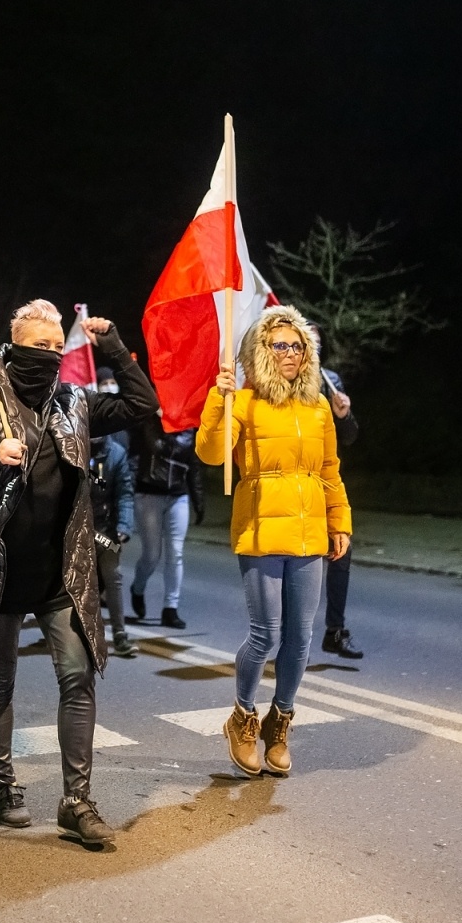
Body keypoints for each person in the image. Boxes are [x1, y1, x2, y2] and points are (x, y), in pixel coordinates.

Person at [0, 299, 156, 845]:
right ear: (13, 346)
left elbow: (141, 403)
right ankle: (3, 786)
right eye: (40, 347)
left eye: (58, 347)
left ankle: (76, 802)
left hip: (63, 572)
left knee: (78, 679)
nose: (51, 356)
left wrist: (114, 347)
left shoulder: (74, 401)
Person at [196, 307, 351, 779]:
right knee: (266, 634)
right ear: (261, 352)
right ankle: (242, 716)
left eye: (298, 345)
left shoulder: (319, 406)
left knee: (301, 638)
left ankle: (279, 721)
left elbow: (329, 470)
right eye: (280, 345)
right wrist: (218, 401)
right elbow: (210, 452)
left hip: (309, 531)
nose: (291, 353)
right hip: (260, 527)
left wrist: (339, 519)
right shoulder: (242, 401)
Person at [128, 416, 204, 629]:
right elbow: (137, 453)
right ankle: (138, 588)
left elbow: (194, 465)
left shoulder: (189, 429)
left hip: (178, 495)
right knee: (152, 555)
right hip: (149, 493)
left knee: (176, 552)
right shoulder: (149, 421)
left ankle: (170, 609)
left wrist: (199, 501)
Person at [319, 365, 364, 660]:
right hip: (291, 488)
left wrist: (344, 416)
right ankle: (285, 634)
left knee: (340, 550)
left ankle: (334, 629)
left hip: (326, 481)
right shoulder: (272, 379)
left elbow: (348, 437)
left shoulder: (329, 380)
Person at [89, 432, 137, 657]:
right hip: (76, 527)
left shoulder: (115, 454)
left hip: (105, 530)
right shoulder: (71, 446)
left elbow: (124, 495)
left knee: (114, 576)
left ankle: (119, 634)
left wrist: (124, 526)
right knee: (78, 581)